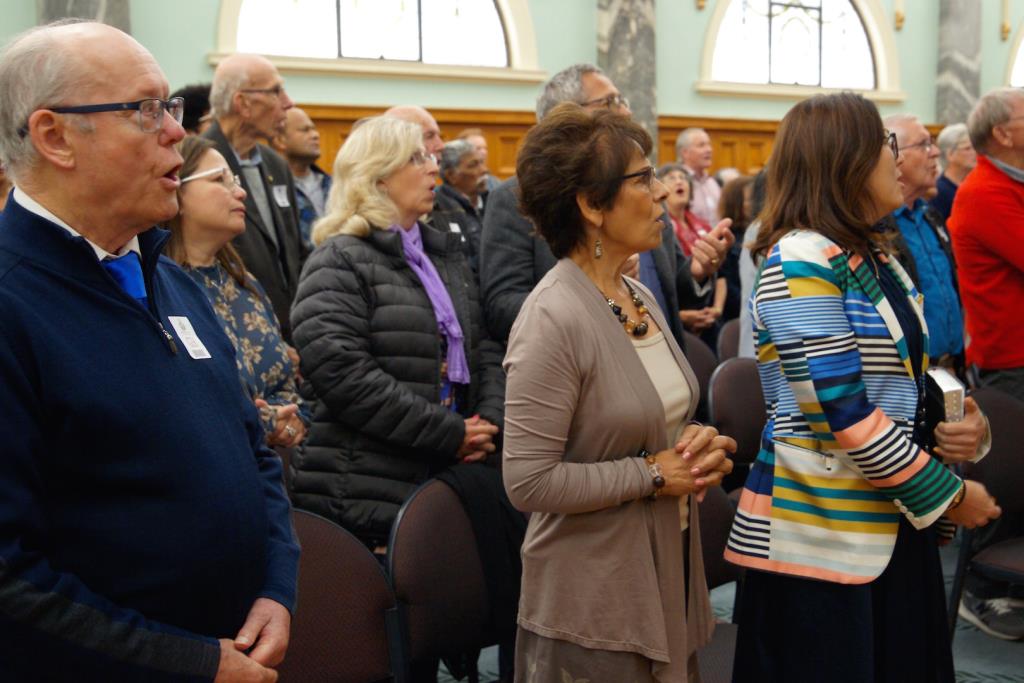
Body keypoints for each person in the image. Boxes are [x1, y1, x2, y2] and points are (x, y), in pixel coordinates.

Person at [0, 20, 298, 681]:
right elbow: (9, 576)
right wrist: (188, 661)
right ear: (54, 136)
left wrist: (277, 587)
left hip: (241, 648)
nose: (175, 133)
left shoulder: (169, 279)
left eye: (172, 107)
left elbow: (252, 450)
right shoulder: (12, 303)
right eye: (144, 109)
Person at [725, 92, 1001, 682]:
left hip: (889, 511)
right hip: (824, 532)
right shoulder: (800, 259)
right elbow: (841, 412)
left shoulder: (870, 254)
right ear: (844, 159)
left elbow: (905, 375)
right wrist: (952, 496)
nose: (896, 158)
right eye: (885, 144)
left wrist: (961, 421)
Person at [503, 103, 735, 682]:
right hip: (595, 592)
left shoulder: (637, 295)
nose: (661, 193)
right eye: (642, 179)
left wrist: (695, 445)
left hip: (665, 566)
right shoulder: (552, 316)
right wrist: (653, 474)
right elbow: (527, 481)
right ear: (591, 205)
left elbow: (649, 421)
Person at [480, 63, 733, 348]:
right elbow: (502, 308)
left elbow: (669, 290)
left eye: (622, 101)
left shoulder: (644, 190)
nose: (626, 112)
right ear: (567, 118)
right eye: (611, 102)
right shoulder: (518, 197)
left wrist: (697, 272)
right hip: (582, 361)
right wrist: (600, 290)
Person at [167, 135, 308, 449]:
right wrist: (263, 422)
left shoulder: (243, 282)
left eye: (236, 180)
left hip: (275, 466)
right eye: (220, 180)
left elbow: (286, 378)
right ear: (176, 192)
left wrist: (290, 420)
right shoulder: (161, 288)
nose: (240, 192)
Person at [948, 86, 1024, 640]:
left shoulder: (1010, 184)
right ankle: (983, 588)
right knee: (1008, 476)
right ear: (1003, 132)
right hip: (1011, 357)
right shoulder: (984, 191)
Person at [205, 53, 307, 341]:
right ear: (243, 103)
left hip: (289, 328)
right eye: (276, 91)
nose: (288, 102)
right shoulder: (200, 163)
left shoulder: (276, 165)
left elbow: (294, 249)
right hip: (234, 329)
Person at [880, 114, 964, 370]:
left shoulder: (930, 216)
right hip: (910, 371)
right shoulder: (877, 228)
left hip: (952, 366)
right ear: (895, 155)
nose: (936, 152)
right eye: (924, 145)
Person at [656, 163, 719, 335]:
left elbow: (720, 274)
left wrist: (717, 308)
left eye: (683, 178)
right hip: (674, 321)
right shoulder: (658, 228)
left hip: (706, 309)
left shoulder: (703, 225)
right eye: (671, 178)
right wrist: (680, 316)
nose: (679, 182)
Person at [273, 107, 331, 250]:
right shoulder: (272, 189)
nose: (315, 135)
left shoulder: (333, 184)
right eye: (305, 130)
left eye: (314, 129)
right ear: (280, 140)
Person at [434, 138, 487, 275]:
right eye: (473, 165)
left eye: (482, 162)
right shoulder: (438, 209)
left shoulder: (492, 200)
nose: (484, 170)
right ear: (451, 175)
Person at [930, 122, 976, 220]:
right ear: (950, 154)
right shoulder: (939, 192)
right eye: (968, 148)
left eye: (975, 147)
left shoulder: (973, 185)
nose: (975, 152)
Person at [676, 127, 719, 224]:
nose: (709, 150)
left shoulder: (712, 182)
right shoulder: (678, 184)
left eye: (709, 144)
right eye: (701, 145)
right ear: (685, 153)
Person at [457, 126, 500, 192]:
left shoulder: (496, 184)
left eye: (485, 148)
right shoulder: (455, 183)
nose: (484, 152)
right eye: (478, 148)